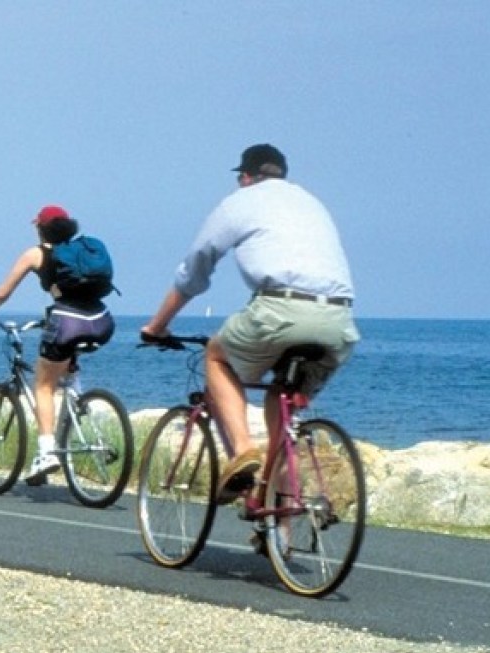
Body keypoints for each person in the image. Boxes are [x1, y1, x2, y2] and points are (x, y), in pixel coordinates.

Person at [140, 144, 359, 503]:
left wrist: (157, 326)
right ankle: (278, 527)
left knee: (216, 355)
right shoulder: (312, 203)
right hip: (339, 321)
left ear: (245, 176)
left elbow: (195, 269)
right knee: (282, 412)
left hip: (281, 309)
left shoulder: (240, 202)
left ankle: (242, 450)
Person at [0, 205, 116, 485]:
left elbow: (3, 293)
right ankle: (79, 403)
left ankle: (47, 452)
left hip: (67, 321)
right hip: (101, 321)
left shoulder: (36, 254)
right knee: (66, 373)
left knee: (43, 384)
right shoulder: (82, 251)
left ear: (40, 228)